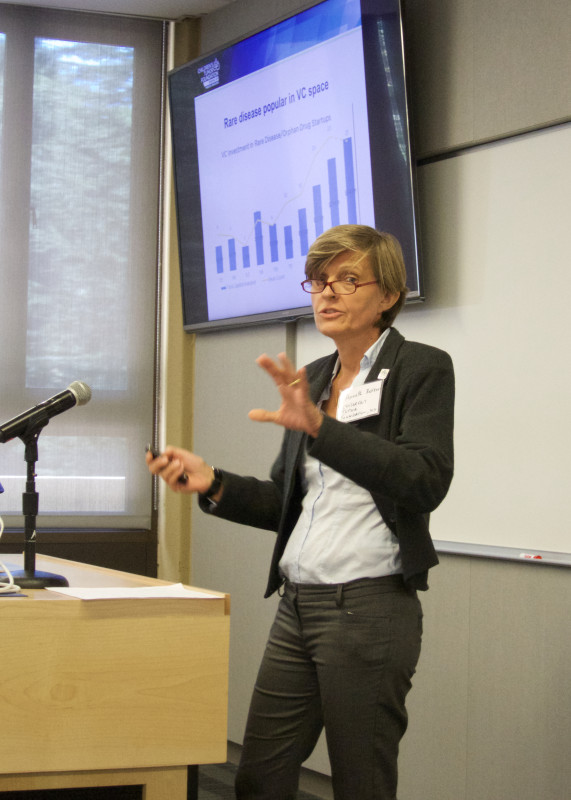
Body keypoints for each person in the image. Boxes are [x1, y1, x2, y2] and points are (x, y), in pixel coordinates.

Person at [147, 224, 455, 800]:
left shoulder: (421, 368)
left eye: (346, 279)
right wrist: (212, 482)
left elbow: (424, 480)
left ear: (387, 295)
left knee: (361, 783)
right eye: (318, 281)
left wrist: (322, 429)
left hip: (368, 607)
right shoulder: (311, 379)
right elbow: (285, 504)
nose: (327, 293)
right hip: (298, 605)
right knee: (258, 779)